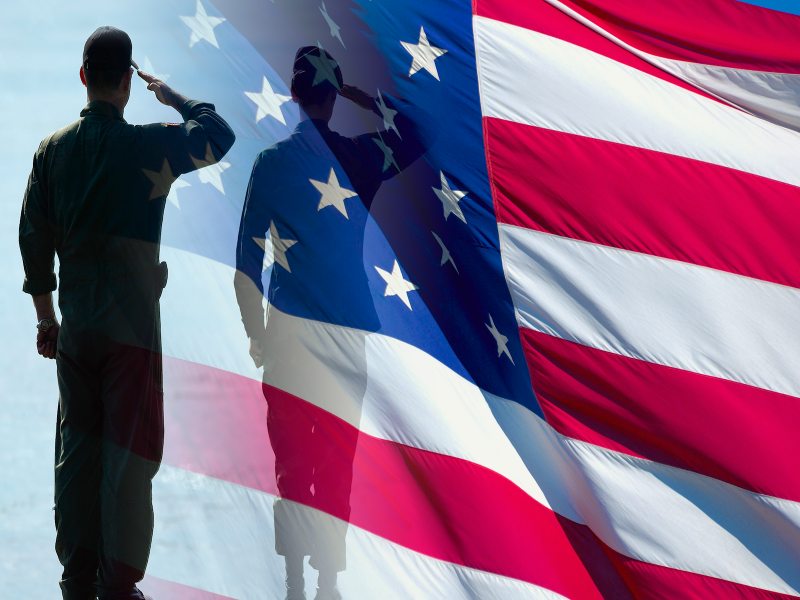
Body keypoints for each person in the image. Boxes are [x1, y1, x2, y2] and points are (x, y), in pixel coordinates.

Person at [19, 26, 235, 600]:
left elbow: (32, 239)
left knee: (77, 455)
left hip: (78, 331)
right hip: (132, 337)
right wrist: (175, 98)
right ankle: (119, 586)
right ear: (128, 84)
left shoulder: (51, 152)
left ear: (84, 77)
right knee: (130, 457)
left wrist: (46, 319)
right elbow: (219, 134)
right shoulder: (148, 146)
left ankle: (75, 580)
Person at [234, 46, 435, 600]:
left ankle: (295, 583)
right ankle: (328, 584)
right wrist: (361, 96)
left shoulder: (271, 164)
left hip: (289, 338)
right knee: (339, 458)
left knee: (293, 459)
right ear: (330, 94)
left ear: (294, 95)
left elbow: (247, 264)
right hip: (349, 335)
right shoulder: (361, 157)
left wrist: (255, 333)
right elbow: (417, 136)